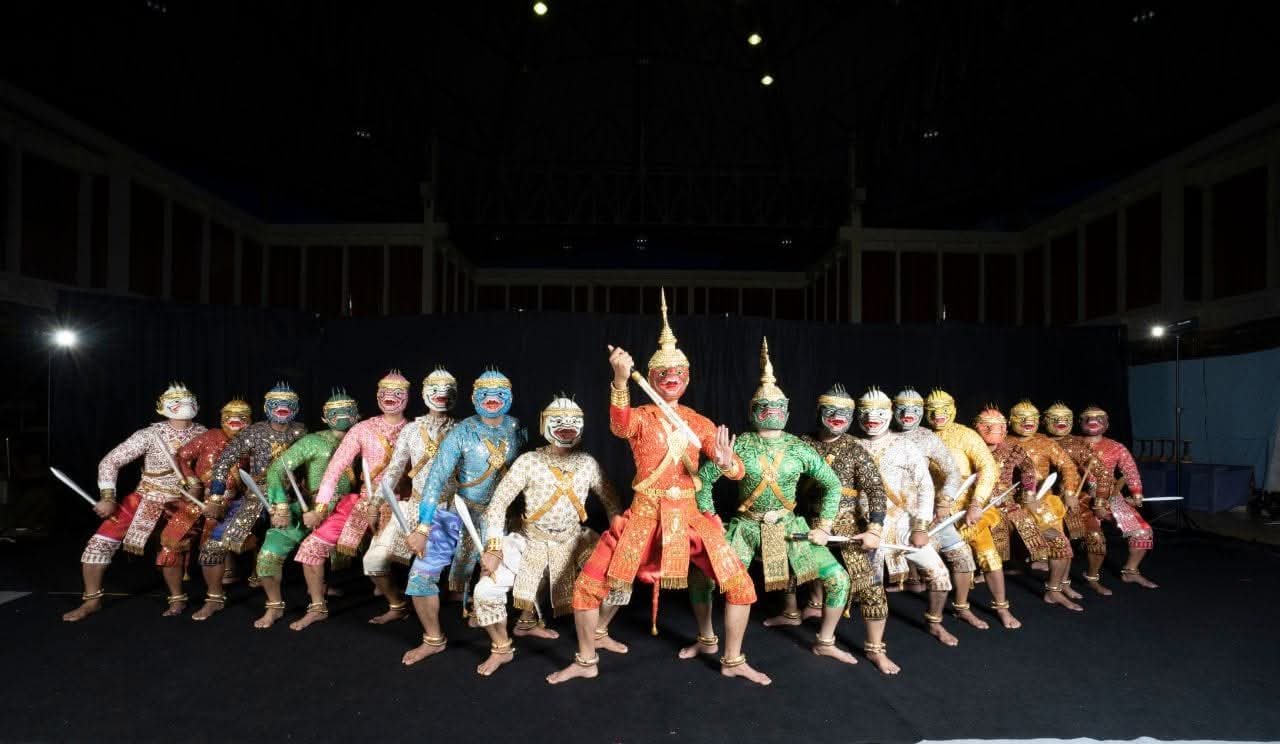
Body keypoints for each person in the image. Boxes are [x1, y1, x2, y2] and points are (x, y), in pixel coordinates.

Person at [547, 290, 765, 685]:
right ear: (650, 378)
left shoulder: (699, 422)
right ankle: (586, 659)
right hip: (644, 515)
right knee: (588, 586)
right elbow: (618, 425)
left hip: (690, 517)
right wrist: (619, 379)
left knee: (740, 585)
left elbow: (737, 473)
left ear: (687, 378)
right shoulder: (641, 417)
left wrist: (725, 462)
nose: (671, 378)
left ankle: (732, 659)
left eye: (678, 373)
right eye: (663, 374)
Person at [473, 394, 620, 676]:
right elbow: (498, 504)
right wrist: (493, 547)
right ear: (544, 425)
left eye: (573, 421)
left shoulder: (588, 463)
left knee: (620, 580)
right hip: (531, 541)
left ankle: (598, 633)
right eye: (559, 421)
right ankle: (502, 648)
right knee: (485, 590)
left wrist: (619, 531)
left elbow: (612, 501)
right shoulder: (528, 462)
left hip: (575, 540)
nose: (566, 426)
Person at [401, 368, 525, 665]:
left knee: (494, 578)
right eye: (485, 393)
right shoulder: (460, 432)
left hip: (502, 518)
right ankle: (433, 638)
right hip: (460, 510)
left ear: (510, 396)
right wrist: (423, 527)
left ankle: (501, 639)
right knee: (420, 574)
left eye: (499, 393)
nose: (492, 398)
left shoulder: (517, 427)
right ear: (473, 397)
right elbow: (435, 481)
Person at [62, 383, 207, 621]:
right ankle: (91, 601)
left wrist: (202, 490)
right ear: (162, 407)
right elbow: (110, 462)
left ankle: (177, 598)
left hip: (186, 501)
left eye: (188, 400)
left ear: (197, 405)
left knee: (171, 549)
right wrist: (108, 497)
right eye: (177, 401)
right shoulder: (149, 435)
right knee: (98, 544)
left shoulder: (206, 435)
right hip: (145, 497)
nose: (184, 405)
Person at [293, 372, 411, 629]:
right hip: (365, 501)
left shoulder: (415, 431)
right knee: (311, 547)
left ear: (408, 397)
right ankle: (317, 607)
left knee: (379, 559)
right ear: (377, 396)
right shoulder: (362, 429)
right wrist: (320, 508)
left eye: (397, 393)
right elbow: (334, 469)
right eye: (384, 393)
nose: (390, 398)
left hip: (403, 505)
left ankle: (397, 604)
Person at [252, 390, 358, 628]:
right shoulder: (314, 442)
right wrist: (281, 506)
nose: (341, 415)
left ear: (357, 415)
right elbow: (277, 469)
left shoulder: (365, 436)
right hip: (311, 507)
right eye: (334, 412)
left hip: (353, 508)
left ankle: (323, 593)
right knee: (269, 552)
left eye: (347, 411)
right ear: (324, 417)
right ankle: (275, 606)